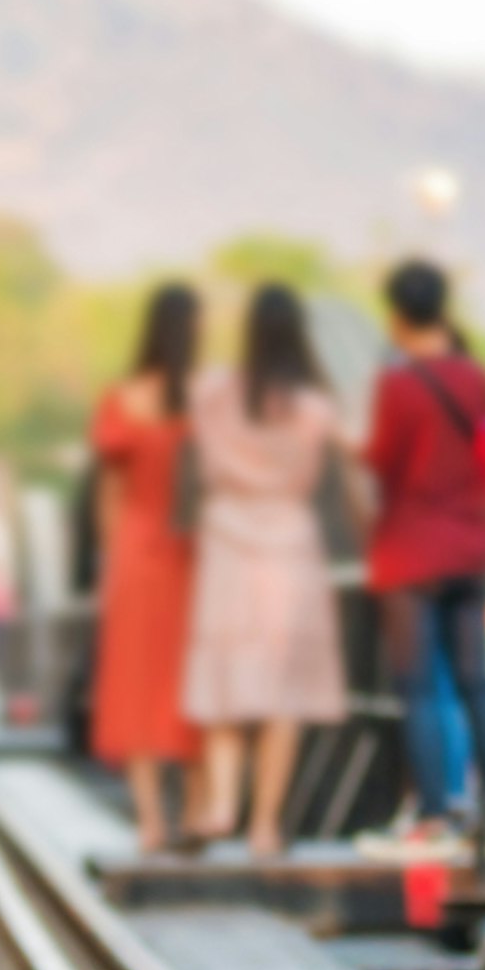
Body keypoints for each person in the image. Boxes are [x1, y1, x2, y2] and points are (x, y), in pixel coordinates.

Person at [183, 284, 353, 858]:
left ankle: (223, 802)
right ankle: (264, 826)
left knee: (226, 677)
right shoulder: (313, 407)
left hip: (228, 538)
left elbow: (200, 463)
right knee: (283, 689)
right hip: (289, 544)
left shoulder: (212, 393)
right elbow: (349, 459)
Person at [363, 257, 485, 848]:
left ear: (397, 315)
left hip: (412, 551)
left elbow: (382, 464)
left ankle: (436, 813)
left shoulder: (397, 385)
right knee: (479, 679)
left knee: (420, 684)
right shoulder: (476, 379)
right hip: (472, 546)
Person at [88, 283, 203, 853]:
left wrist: (115, 561)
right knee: (195, 677)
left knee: (135, 679)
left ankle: (152, 821)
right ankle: (202, 811)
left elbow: (110, 494)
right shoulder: (208, 399)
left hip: (137, 552)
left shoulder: (124, 398)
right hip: (196, 553)